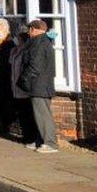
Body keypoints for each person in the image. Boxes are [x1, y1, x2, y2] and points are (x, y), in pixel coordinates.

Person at [17, 20, 58, 153]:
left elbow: (35, 66)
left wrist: (24, 79)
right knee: (38, 115)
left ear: (33, 29)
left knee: (43, 115)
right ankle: (40, 140)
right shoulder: (43, 41)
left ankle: (50, 143)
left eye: (29, 29)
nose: (28, 32)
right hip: (40, 84)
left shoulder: (39, 44)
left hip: (39, 85)